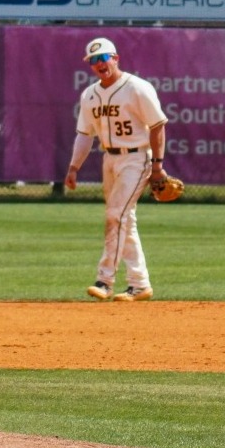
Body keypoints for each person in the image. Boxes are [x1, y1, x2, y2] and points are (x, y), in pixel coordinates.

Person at [64, 37, 169, 302]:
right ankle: (139, 284)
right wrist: (74, 166)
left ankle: (105, 280)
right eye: (94, 61)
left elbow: (157, 126)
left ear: (116, 58)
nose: (100, 64)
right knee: (124, 219)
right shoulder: (89, 95)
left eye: (104, 58)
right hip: (109, 159)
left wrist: (157, 166)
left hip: (136, 158)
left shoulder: (137, 88)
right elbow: (85, 134)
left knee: (115, 216)